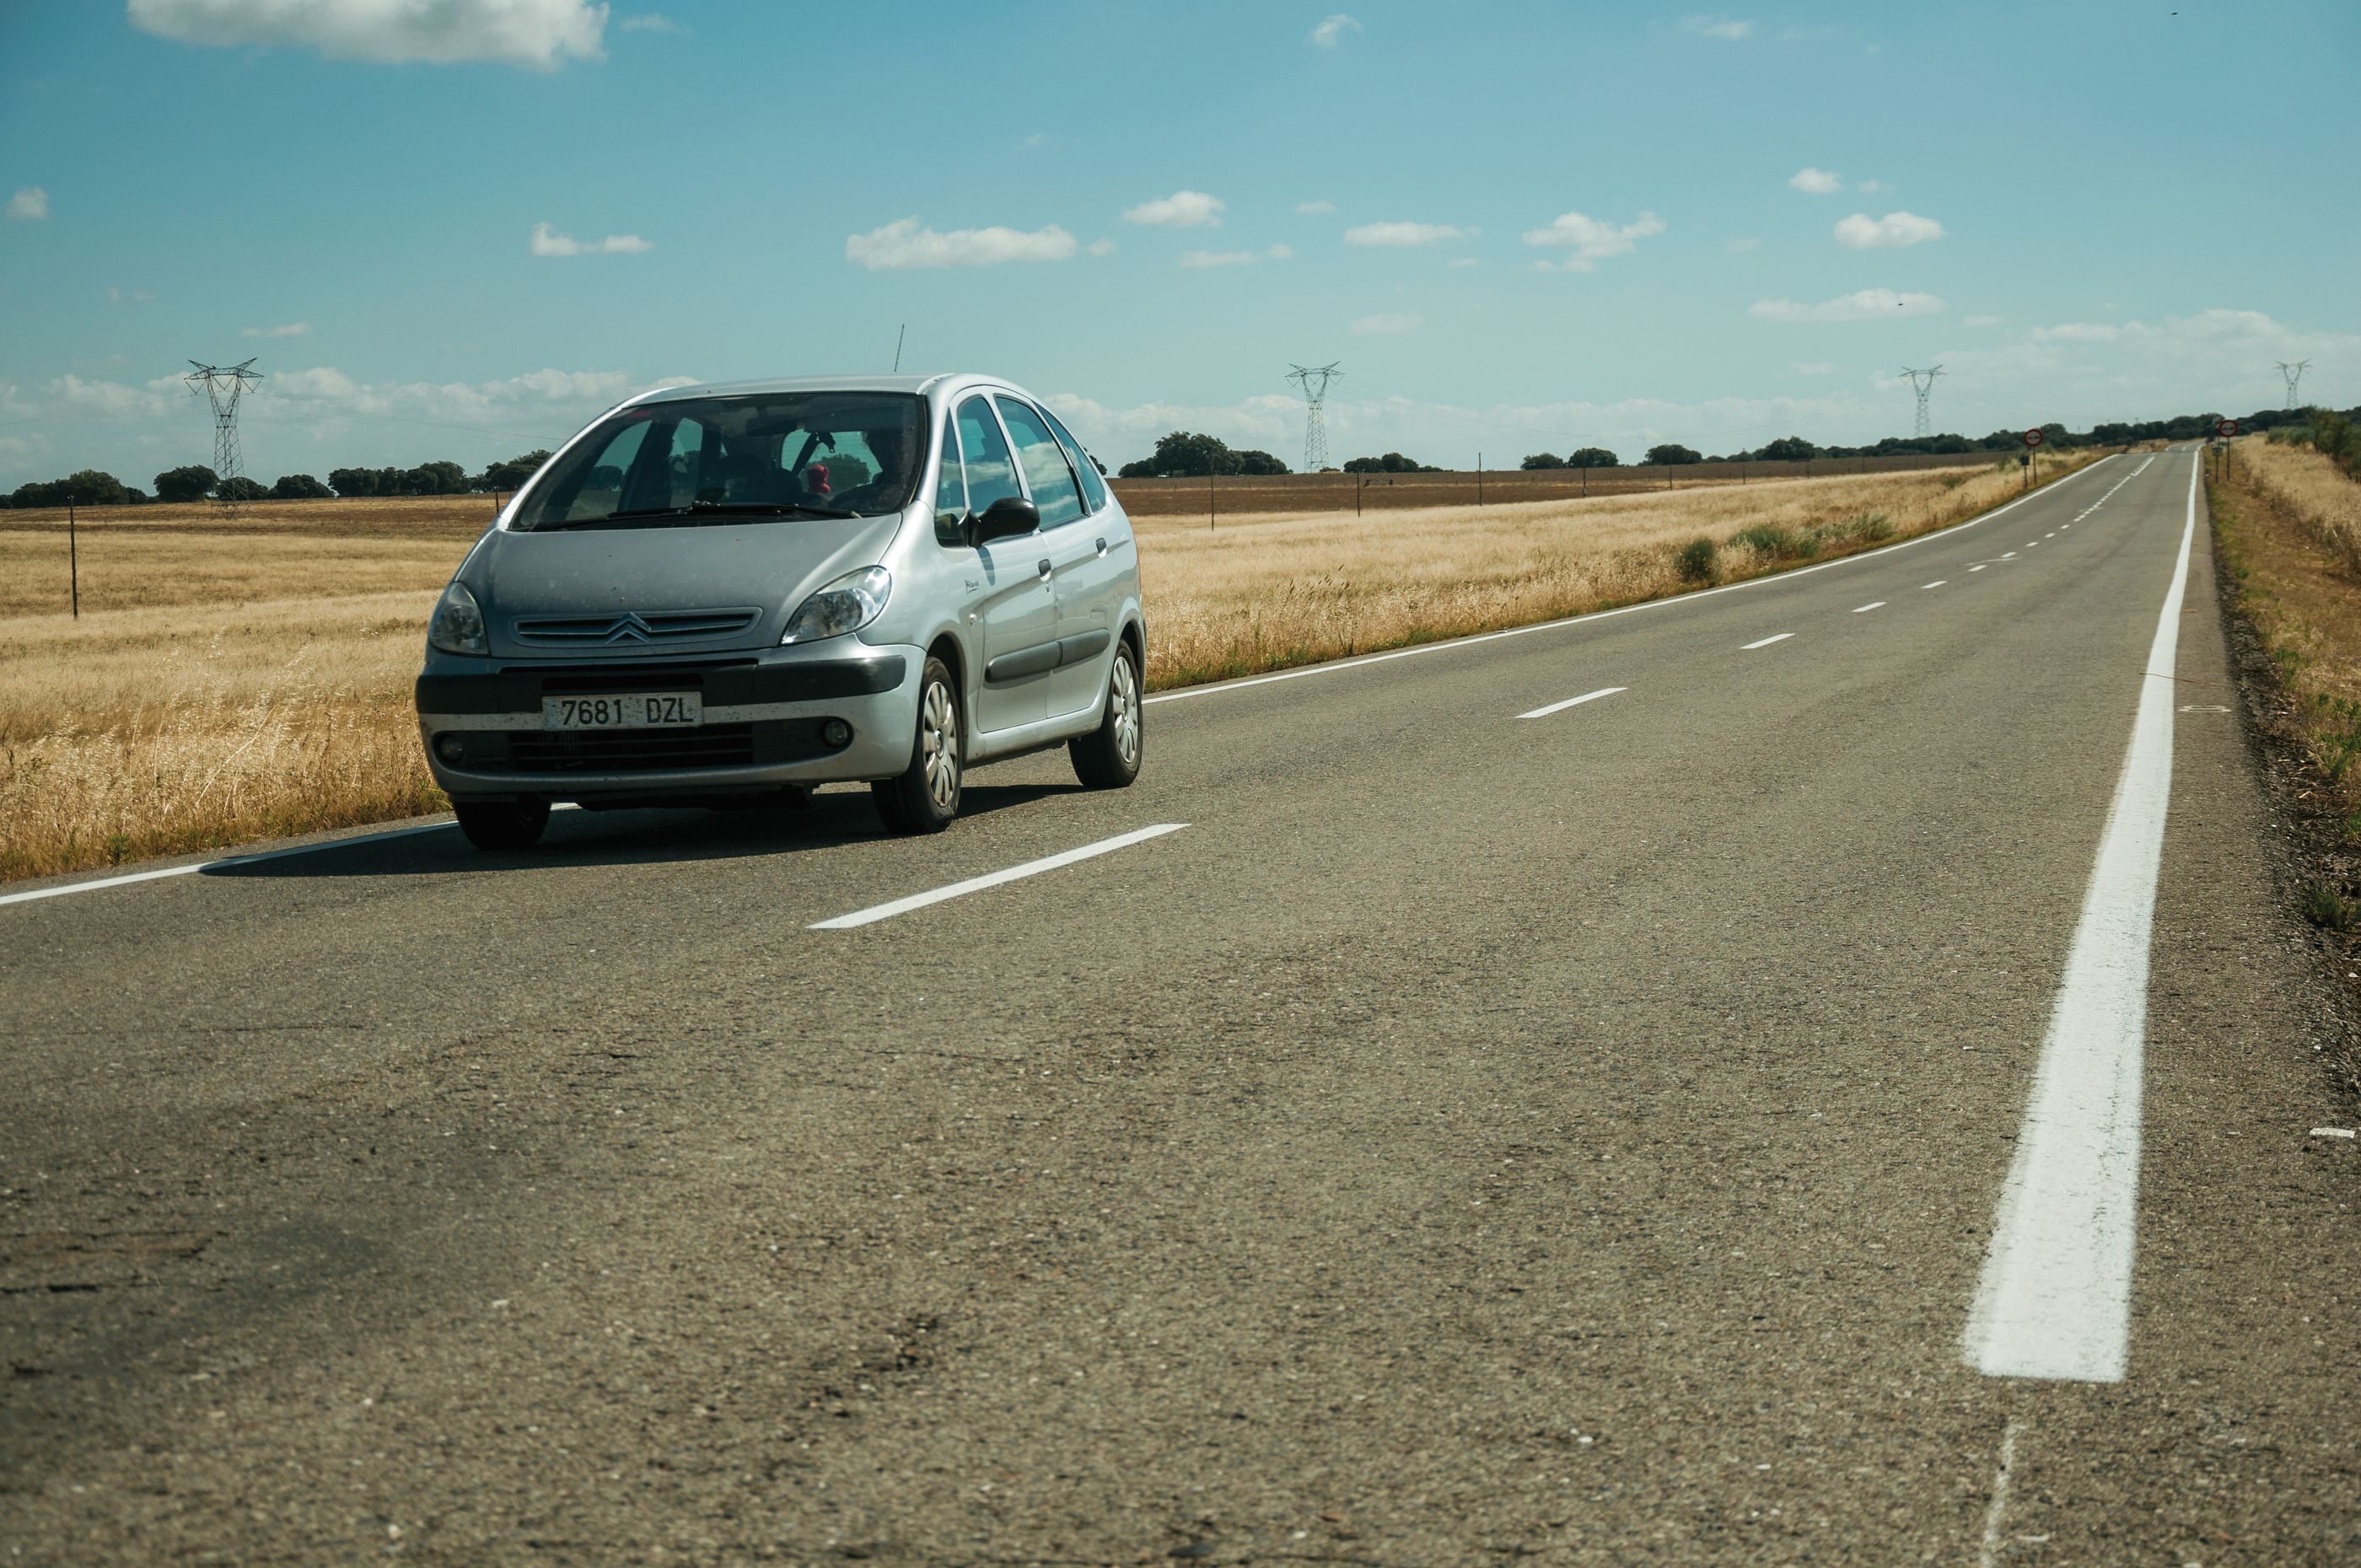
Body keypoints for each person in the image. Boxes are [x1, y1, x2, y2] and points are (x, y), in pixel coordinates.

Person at [833, 425, 913, 514]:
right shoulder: (848, 502)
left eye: (899, 441)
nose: (893, 449)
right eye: (884, 443)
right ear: (873, 450)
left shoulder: (922, 498)